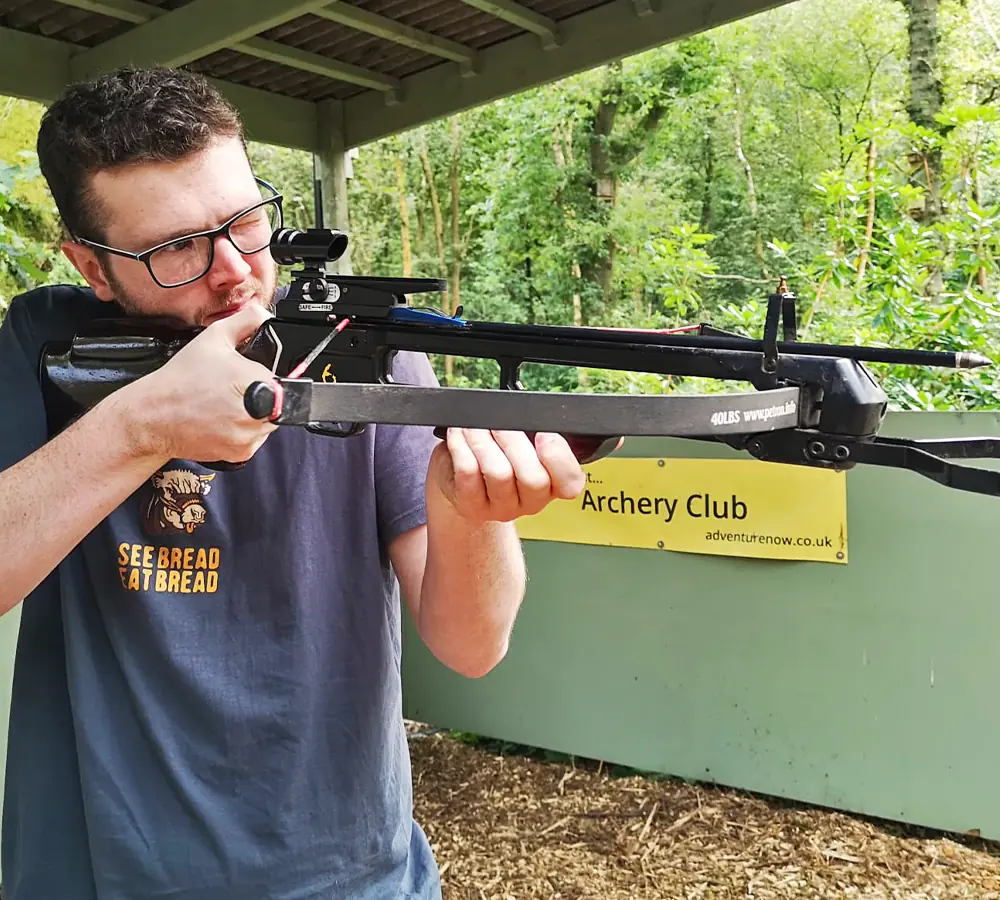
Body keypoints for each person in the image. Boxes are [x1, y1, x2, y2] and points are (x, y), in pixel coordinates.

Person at [0, 66, 586, 900]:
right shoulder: (44, 342)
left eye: (244, 222)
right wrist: (142, 427)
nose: (236, 271)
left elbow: (472, 645)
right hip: (93, 870)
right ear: (93, 268)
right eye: (176, 249)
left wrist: (470, 512)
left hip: (348, 875)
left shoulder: (369, 356)